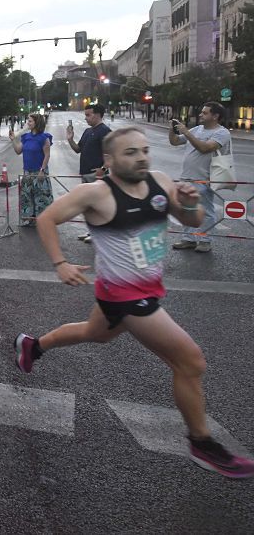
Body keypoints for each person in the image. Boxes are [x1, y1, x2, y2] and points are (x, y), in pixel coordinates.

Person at [14, 127, 254, 479]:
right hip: (125, 296)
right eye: (130, 152)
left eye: (144, 150)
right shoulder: (95, 193)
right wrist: (60, 262)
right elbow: (48, 218)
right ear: (109, 160)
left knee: (95, 333)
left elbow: (194, 220)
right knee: (190, 363)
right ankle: (202, 444)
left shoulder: (158, 180)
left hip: (145, 289)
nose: (141, 157)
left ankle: (33, 346)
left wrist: (188, 204)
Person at [169, 101, 231, 253]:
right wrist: (173, 130)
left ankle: (204, 240)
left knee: (206, 210)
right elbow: (175, 142)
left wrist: (187, 132)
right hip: (187, 177)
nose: (200, 115)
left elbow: (205, 148)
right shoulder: (197, 129)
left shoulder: (222, 133)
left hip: (205, 178)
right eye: (201, 112)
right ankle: (188, 239)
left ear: (215, 116)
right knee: (187, 208)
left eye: (205, 113)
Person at [66, 104, 111, 243]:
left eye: (88, 115)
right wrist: (70, 139)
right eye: (85, 115)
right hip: (85, 173)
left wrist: (102, 170)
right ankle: (92, 231)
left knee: (98, 206)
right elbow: (78, 149)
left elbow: (110, 154)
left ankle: (100, 233)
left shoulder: (105, 131)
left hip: (96, 175)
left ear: (97, 115)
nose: (85, 118)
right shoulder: (87, 131)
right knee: (89, 207)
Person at [9, 113, 53, 226]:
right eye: (28, 121)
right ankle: (30, 219)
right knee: (27, 196)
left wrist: (42, 170)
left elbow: (47, 155)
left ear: (37, 123)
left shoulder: (44, 138)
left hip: (39, 171)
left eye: (30, 121)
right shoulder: (26, 137)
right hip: (27, 171)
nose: (28, 123)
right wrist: (13, 140)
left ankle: (43, 220)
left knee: (42, 196)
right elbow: (18, 151)